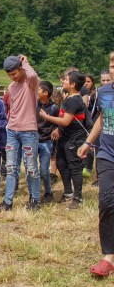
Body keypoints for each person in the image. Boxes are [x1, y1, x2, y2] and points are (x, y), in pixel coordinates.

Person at [78, 51, 114, 277]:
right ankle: (108, 257)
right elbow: (102, 118)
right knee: (107, 202)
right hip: (107, 154)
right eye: (112, 64)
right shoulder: (103, 92)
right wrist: (88, 142)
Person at [0, 55, 41, 212]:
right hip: (12, 131)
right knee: (11, 167)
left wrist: (25, 62)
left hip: (29, 131)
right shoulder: (12, 87)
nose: (12, 77)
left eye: (14, 74)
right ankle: (7, 202)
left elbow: (33, 75)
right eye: (9, 75)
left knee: (31, 167)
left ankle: (35, 200)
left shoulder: (31, 83)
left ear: (21, 69)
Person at [40, 71, 89, 209]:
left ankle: (77, 197)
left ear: (73, 84)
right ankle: (68, 192)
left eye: (66, 80)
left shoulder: (74, 101)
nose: (63, 81)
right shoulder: (68, 98)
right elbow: (64, 120)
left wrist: (46, 117)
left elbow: (66, 121)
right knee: (61, 163)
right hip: (64, 137)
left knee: (74, 167)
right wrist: (57, 129)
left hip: (74, 139)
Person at [37, 81, 59, 203]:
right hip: (33, 140)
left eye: (38, 90)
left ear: (45, 93)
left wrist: (56, 129)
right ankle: (34, 192)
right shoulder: (34, 105)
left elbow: (59, 122)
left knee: (44, 170)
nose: (36, 92)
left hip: (46, 141)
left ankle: (48, 192)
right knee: (31, 168)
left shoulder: (54, 108)